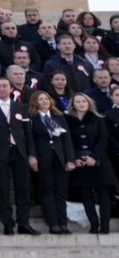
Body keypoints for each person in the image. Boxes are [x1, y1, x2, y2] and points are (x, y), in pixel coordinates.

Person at [0, 77, 37, 235]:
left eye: (5, 86)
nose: (2, 88)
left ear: (12, 89)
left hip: (19, 152)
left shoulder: (21, 107)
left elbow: (28, 133)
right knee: (2, 189)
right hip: (0, 153)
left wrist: (31, 154)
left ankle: (23, 222)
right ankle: (8, 223)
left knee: (23, 189)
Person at [28, 89, 77, 234]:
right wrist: (32, 156)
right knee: (47, 190)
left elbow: (66, 139)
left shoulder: (58, 116)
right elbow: (30, 139)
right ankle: (53, 223)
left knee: (61, 191)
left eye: (47, 99)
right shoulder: (32, 118)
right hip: (43, 159)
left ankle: (63, 222)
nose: (44, 101)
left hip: (60, 158)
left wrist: (70, 159)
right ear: (35, 102)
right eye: (41, 99)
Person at [64, 92, 114, 234]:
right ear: (73, 104)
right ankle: (93, 224)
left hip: (98, 161)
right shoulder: (68, 120)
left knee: (103, 194)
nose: (81, 104)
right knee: (86, 195)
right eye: (78, 102)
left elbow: (103, 139)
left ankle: (104, 225)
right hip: (80, 162)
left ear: (89, 103)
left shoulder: (98, 119)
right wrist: (74, 158)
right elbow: (68, 141)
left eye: (84, 102)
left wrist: (94, 157)